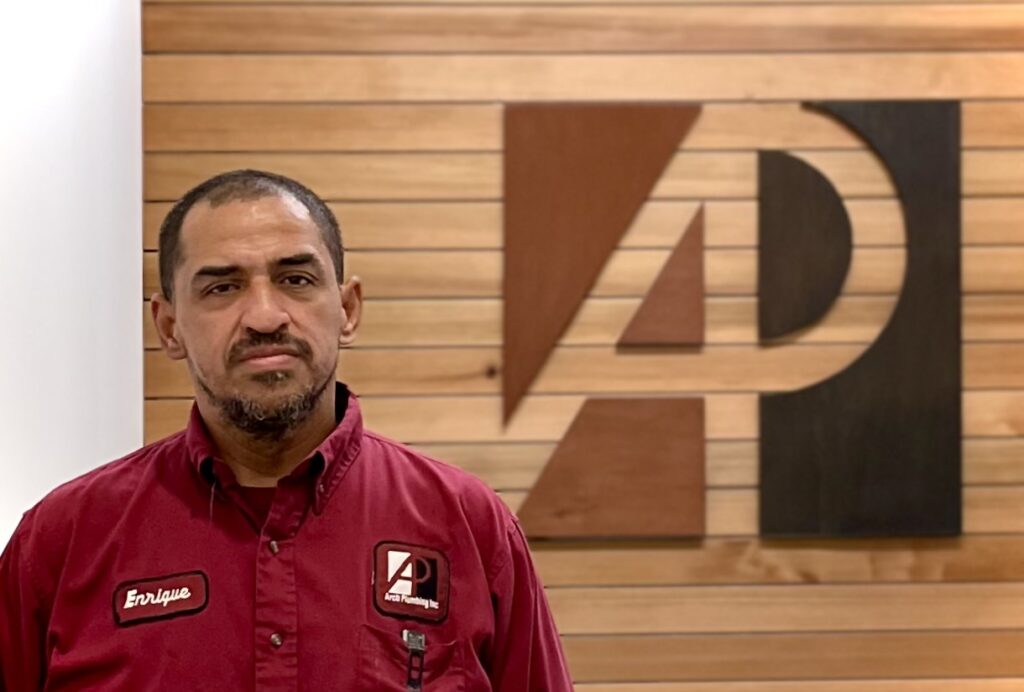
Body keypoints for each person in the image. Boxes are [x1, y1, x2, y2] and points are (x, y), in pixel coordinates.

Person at [0, 169, 573, 691]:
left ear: (347, 309)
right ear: (169, 327)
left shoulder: (469, 526)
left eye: (295, 279)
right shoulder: (60, 542)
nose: (265, 316)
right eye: (222, 287)